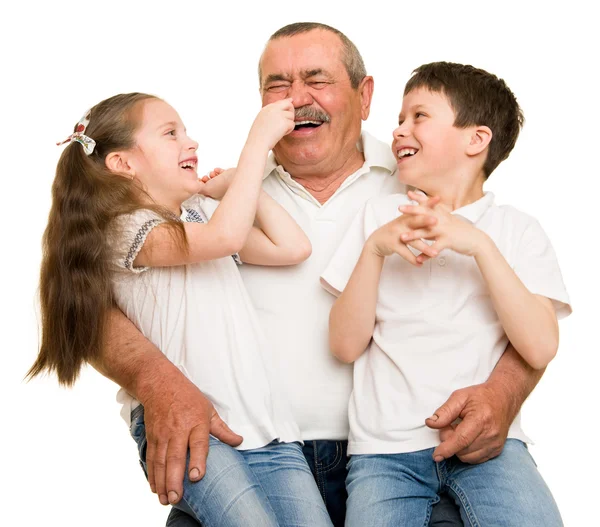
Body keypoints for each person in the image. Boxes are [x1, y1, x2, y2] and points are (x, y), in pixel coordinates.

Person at [93, 23, 549, 527]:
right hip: (238, 454)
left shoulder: (426, 184)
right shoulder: (214, 199)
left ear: (364, 94)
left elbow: (525, 318)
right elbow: (87, 306)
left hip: (404, 462)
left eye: (317, 79)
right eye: (278, 85)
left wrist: (504, 391)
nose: (298, 99)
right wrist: (156, 382)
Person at [28, 92, 334, 526]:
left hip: (270, 431)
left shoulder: (203, 214)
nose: (190, 143)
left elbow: (293, 248)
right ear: (123, 164)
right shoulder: (124, 229)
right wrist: (256, 147)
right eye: (171, 134)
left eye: (185, 132)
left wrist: (236, 188)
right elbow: (225, 239)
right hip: (195, 430)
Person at [321, 61, 571, 526]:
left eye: (418, 116)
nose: (399, 130)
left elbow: (539, 346)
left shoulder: (516, 230)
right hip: (384, 454)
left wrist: (477, 245)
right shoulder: (379, 217)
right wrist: (375, 250)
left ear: (476, 140)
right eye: (399, 119)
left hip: (492, 450)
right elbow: (343, 345)